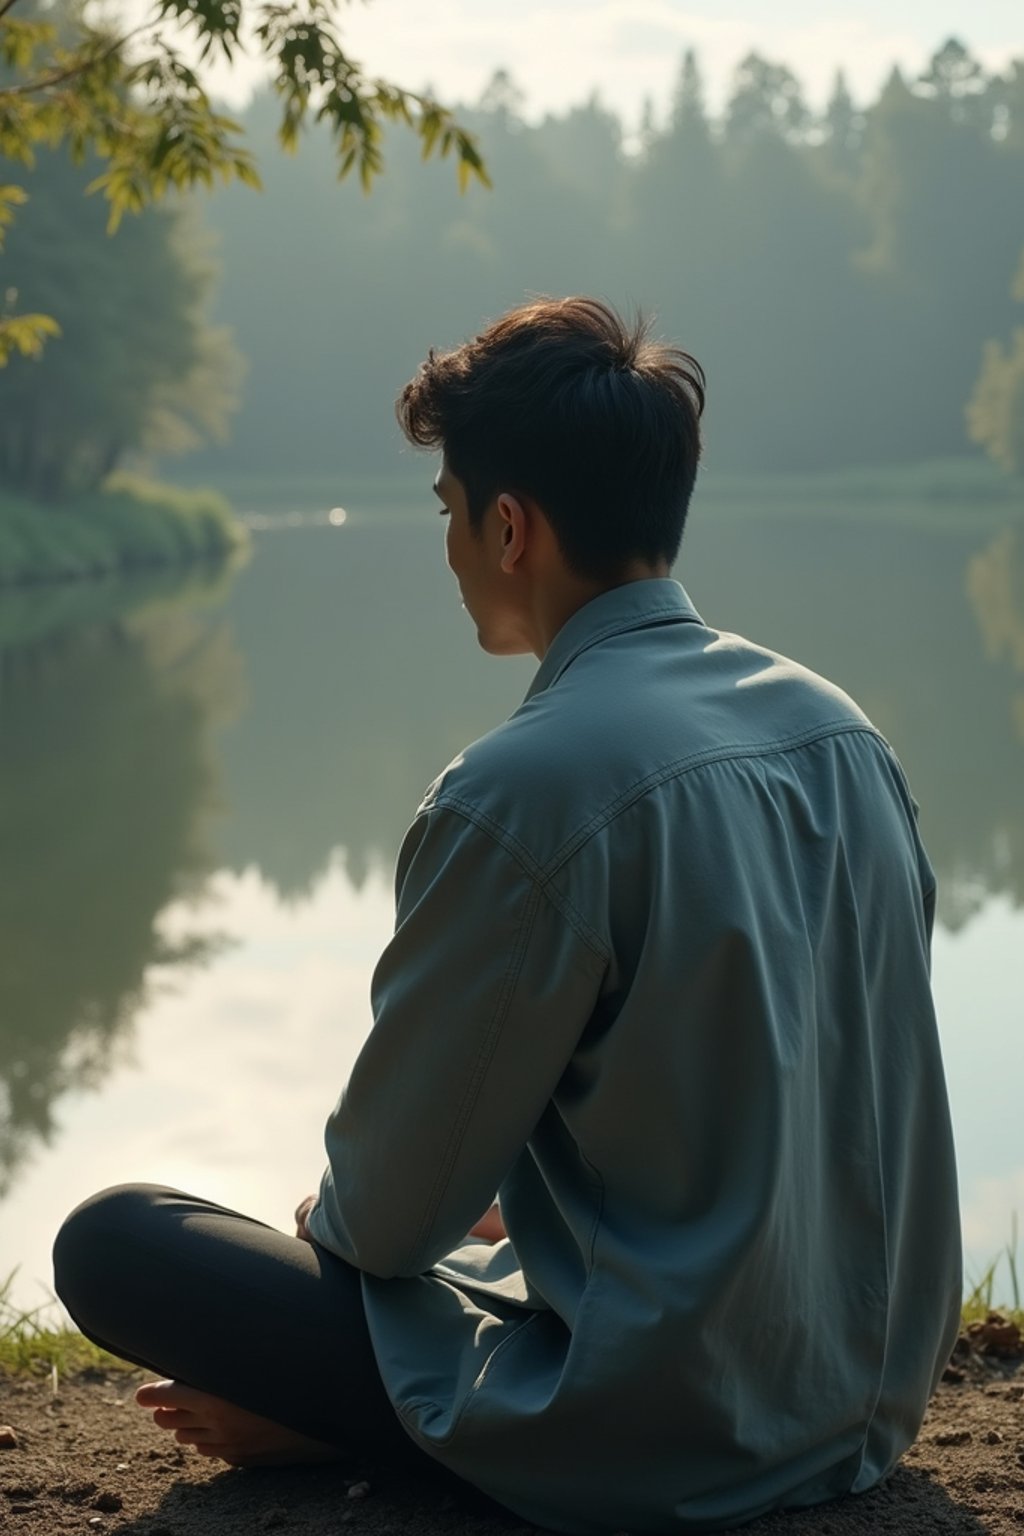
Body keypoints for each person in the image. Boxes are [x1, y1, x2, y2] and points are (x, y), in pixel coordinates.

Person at [53, 297, 962, 1535]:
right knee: (472, 1231)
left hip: (667, 1426)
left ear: (510, 526)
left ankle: (351, 1429)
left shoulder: (522, 789)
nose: (449, 548)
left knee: (119, 1243)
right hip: (858, 1390)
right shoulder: (842, 731)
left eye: (447, 513)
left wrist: (349, 1215)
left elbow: (380, 1223)